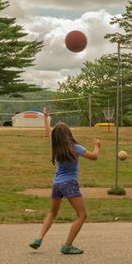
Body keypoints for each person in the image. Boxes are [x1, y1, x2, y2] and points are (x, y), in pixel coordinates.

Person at [30, 107, 100, 254]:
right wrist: (97, 146)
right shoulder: (76, 147)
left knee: (52, 212)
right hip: (69, 184)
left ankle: (38, 239)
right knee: (82, 215)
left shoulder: (54, 146)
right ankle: (67, 245)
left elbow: (47, 132)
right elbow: (94, 156)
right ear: (69, 134)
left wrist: (46, 117)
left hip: (57, 184)